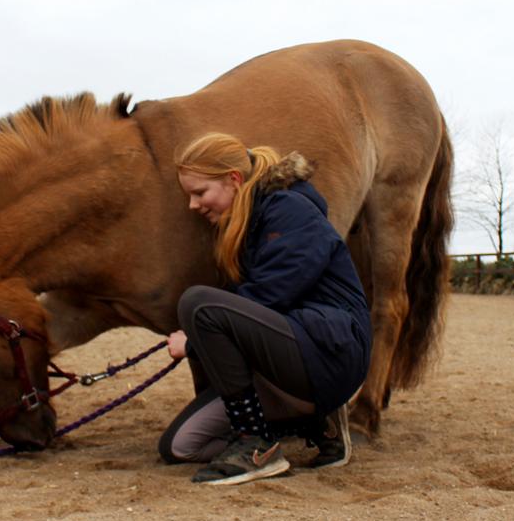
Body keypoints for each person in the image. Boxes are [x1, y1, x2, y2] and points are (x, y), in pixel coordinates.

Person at [159, 132, 372, 485]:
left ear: (233, 180)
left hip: (331, 352)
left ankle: (256, 444)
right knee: (180, 446)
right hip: (289, 356)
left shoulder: (291, 210)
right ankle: (313, 421)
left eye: (199, 193)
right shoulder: (247, 225)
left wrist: (193, 344)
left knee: (197, 303)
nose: (193, 206)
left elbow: (269, 296)